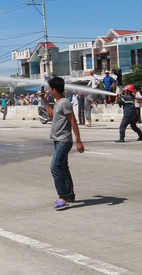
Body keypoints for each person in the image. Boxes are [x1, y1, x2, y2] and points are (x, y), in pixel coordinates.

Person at [40, 76, 85, 210]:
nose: (48, 91)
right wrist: (44, 100)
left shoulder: (65, 102)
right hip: (57, 140)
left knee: (55, 167)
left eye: (50, 88)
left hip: (64, 140)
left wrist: (79, 141)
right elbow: (52, 115)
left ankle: (62, 197)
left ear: (54, 89)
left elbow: (73, 121)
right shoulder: (58, 102)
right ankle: (70, 194)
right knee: (63, 167)